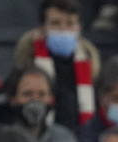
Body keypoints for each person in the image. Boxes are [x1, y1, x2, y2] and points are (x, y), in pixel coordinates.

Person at [12, 0, 102, 132]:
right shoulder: (28, 61)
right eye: (55, 23)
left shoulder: (90, 65)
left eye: (70, 23)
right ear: (42, 28)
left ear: (79, 27)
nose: (63, 29)